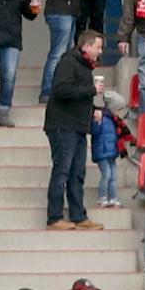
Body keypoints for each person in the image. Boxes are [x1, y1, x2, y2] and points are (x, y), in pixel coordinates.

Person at [41, 29, 102, 232]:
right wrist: (91, 90)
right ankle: (54, 217)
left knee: (77, 172)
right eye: (98, 47)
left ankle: (78, 215)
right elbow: (60, 89)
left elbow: (77, 94)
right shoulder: (69, 62)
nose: (100, 52)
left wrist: (93, 109)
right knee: (63, 171)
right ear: (86, 46)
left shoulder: (84, 65)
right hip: (62, 125)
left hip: (77, 126)